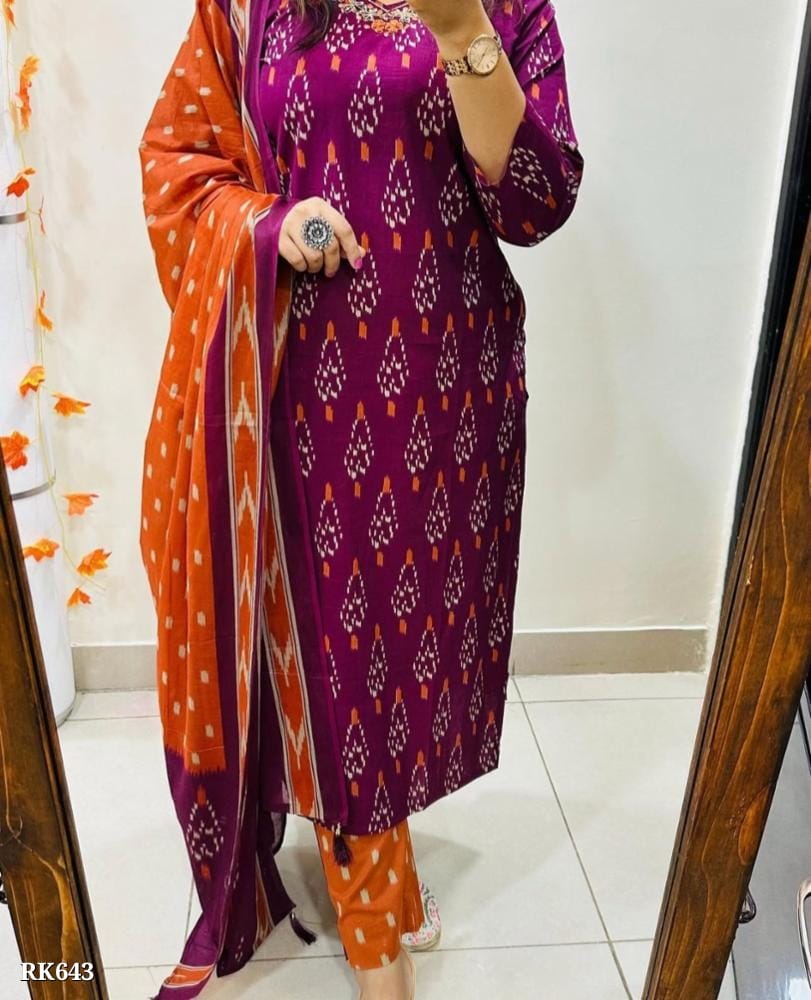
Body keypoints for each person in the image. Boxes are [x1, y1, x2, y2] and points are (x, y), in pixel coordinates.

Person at [138, 1, 583, 998]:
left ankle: (389, 874)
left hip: (443, 389)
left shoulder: (505, 5)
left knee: (402, 659)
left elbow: (534, 203)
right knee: (341, 661)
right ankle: (377, 938)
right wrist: (270, 222)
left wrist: (462, 32)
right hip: (299, 383)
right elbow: (178, 161)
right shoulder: (247, 7)